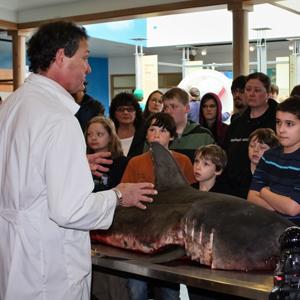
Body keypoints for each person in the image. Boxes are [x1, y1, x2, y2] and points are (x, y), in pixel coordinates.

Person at [0, 21, 157, 300]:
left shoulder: (14, 104)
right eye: (84, 58)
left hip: (16, 258)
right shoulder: (58, 119)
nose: (89, 68)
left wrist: (73, 165)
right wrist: (119, 195)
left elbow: (19, 168)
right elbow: (70, 210)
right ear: (61, 57)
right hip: (49, 269)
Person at [121, 112, 195, 300]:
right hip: (139, 236)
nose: (156, 134)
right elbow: (124, 199)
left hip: (170, 239)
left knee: (169, 292)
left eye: (162, 131)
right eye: (152, 129)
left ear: (172, 136)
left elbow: (192, 199)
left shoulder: (184, 161)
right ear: (145, 134)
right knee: (135, 290)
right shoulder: (135, 162)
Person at [222, 72, 277, 198]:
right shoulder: (236, 123)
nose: (251, 94)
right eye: (248, 89)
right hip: (234, 192)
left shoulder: (278, 122)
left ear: (268, 93)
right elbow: (225, 154)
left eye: (257, 90)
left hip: (266, 193)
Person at [248, 96, 300, 225]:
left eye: (289, 124)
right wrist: (279, 204)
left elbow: (292, 208)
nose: (281, 129)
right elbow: (251, 197)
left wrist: (264, 192)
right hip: (266, 230)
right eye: (278, 122)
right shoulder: (268, 156)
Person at [163, 87, 215, 162]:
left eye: (173, 106)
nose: (168, 111)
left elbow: (213, 167)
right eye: (165, 107)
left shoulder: (204, 136)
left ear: (187, 108)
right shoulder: (157, 134)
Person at [233, 128, 280, 199]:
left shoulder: (277, 176)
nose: (255, 150)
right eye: (252, 146)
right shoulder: (236, 172)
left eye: (262, 147)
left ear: (273, 151)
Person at [85, 116, 128, 191]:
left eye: (99, 134)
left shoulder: (122, 162)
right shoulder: (84, 160)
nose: (93, 138)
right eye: (89, 134)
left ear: (111, 137)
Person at [109, 92, 145, 158]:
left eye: (130, 109)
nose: (125, 112)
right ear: (114, 113)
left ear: (136, 112)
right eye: (121, 109)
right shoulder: (109, 134)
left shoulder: (144, 133)